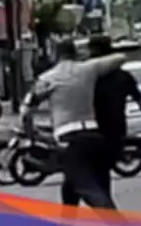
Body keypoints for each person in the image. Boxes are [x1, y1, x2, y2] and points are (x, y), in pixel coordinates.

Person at [20, 38, 126, 212]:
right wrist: (88, 60)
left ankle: (118, 224)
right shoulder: (88, 69)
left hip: (68, 139)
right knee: (71, 188)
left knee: (88, 189)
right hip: (93, 136)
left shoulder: (48, 78)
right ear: (76, 53)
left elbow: (26, 110)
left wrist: (31, 133)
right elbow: (120, 58)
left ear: (55, 54)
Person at [88, 35, 141, 201]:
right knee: (101, 176)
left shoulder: (89, 78)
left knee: (91, 178)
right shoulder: (123, 77)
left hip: (92, 131)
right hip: (115, 132)